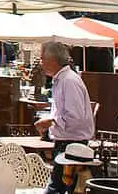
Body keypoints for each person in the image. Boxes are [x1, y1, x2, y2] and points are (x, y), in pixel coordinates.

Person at [35, 42, 95, 194]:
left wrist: (51, 121)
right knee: (64, 188)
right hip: (67, 142)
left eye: (42, 59)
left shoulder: (69, 81)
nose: (41, 63)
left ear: (52, 60)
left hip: (72, 144)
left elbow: (75, 117)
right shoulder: (63, 80)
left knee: (58, 188)